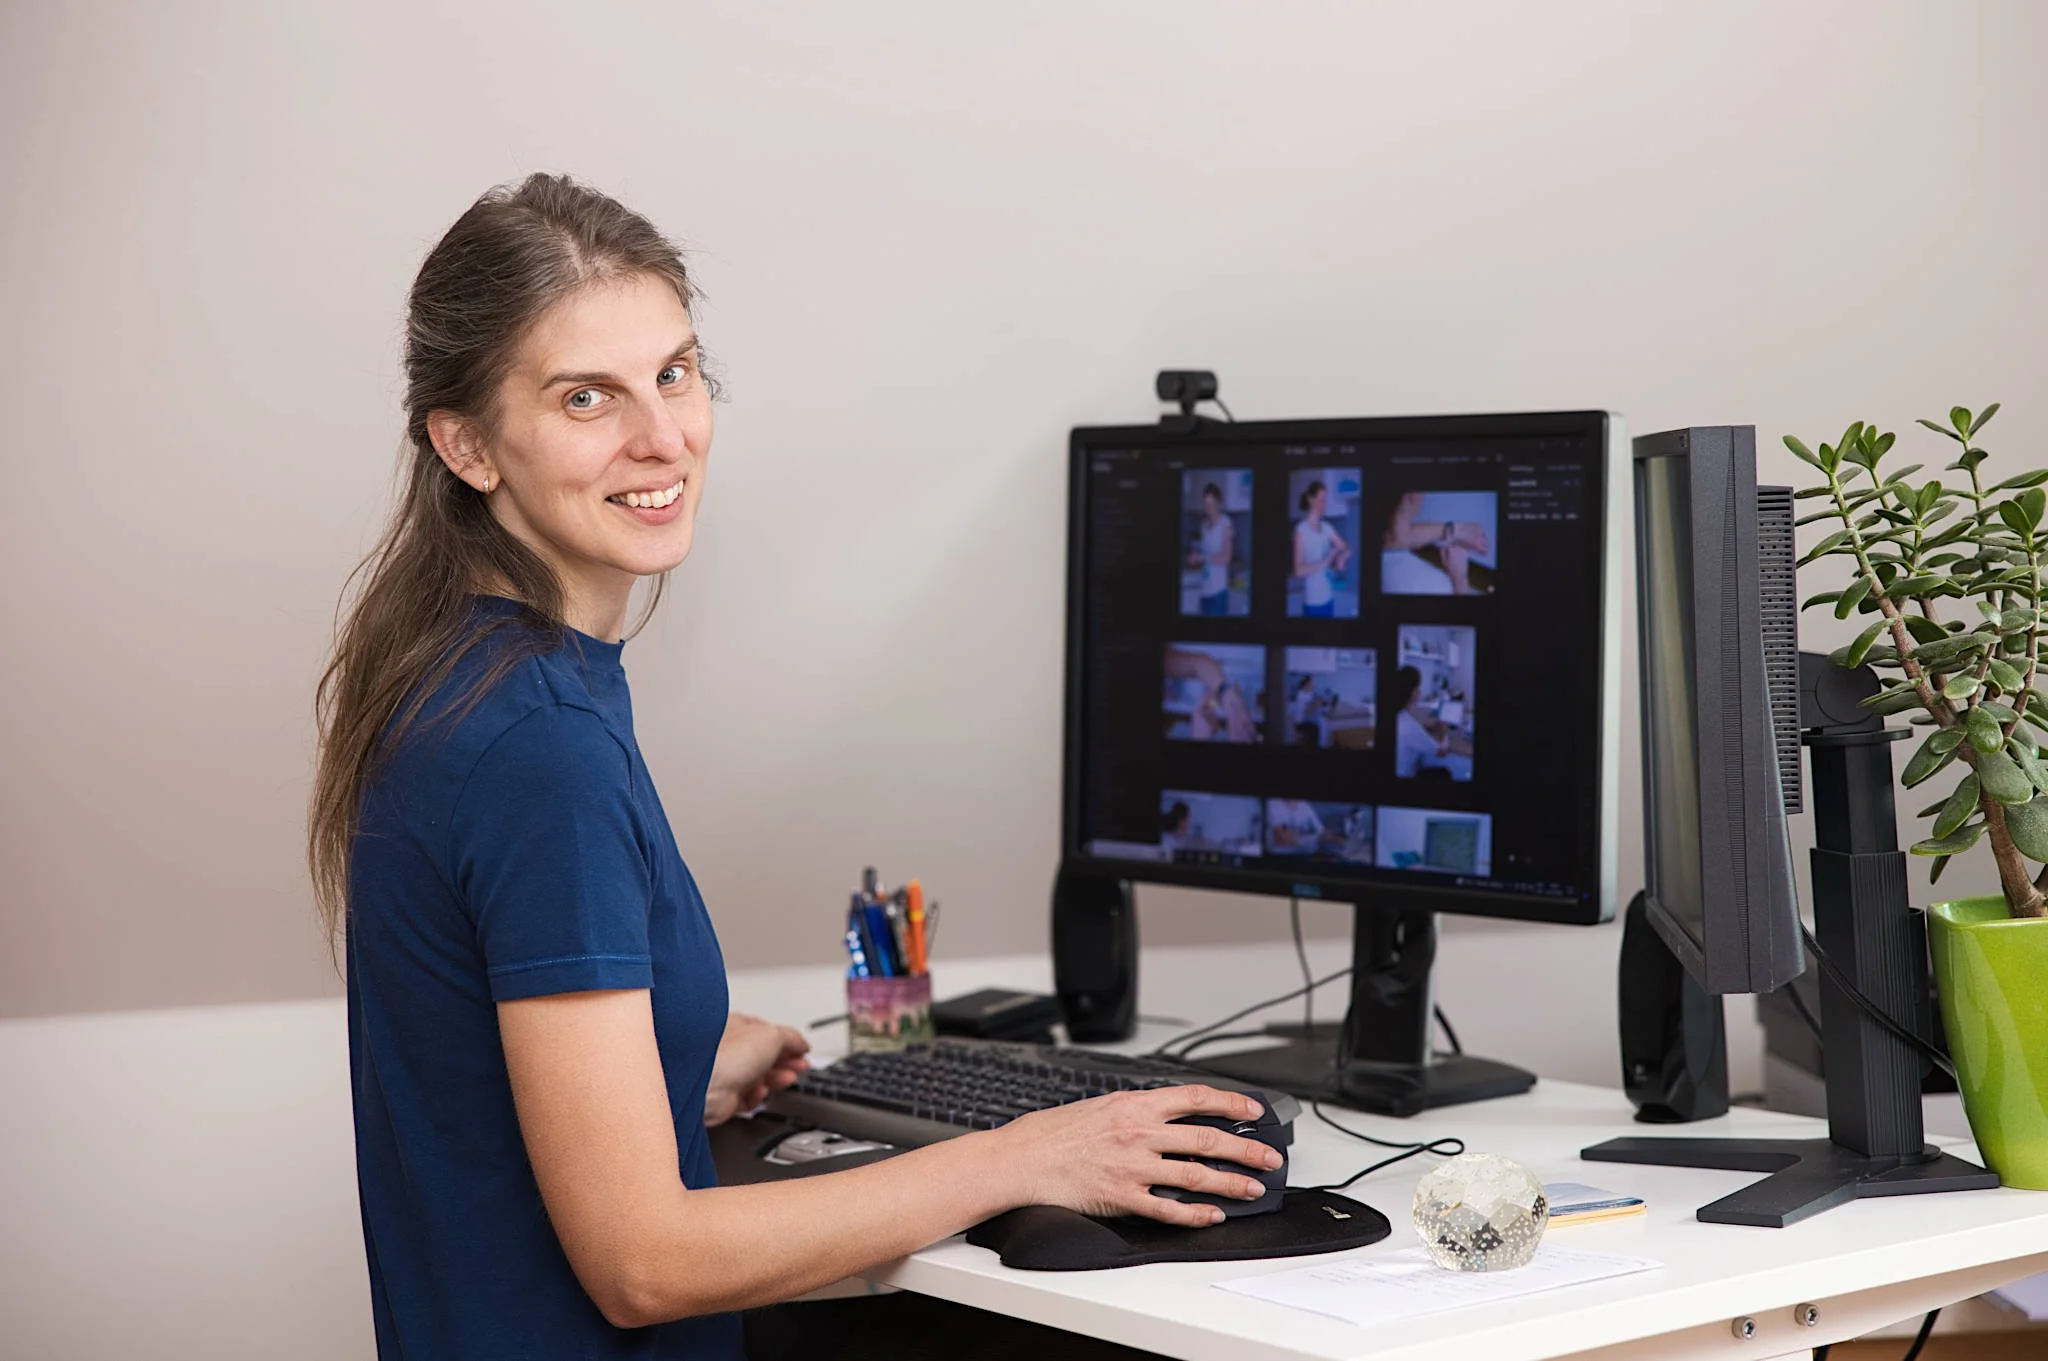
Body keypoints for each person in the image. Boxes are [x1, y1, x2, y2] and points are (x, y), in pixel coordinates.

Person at [308, 174, 1278, 1361]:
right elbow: (644, 1262)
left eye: (674, 373)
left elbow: (478, 1067)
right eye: (585, 397)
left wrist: (677, 1057)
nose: (661, 436)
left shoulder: (461, 676)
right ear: (466, 443)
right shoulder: (537, 749)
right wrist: (1030, 1153)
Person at [1381, 491, 1491, 596]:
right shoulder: (1427, 587)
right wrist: (1460, 579)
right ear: (1413, 496)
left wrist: (1456, 530)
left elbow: (1397, 535)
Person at [1393, 665, 1473, 779]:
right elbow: (1441, 752)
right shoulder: (1410, 726)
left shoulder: (1400, 716)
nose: (1420, 691)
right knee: (1445, 773)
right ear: (1413, 693)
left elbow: (1411, 733)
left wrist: (1428, 729)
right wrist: (1444, 733)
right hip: (1406, 775)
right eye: (1418, 688)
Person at [1291, 481, 1351, 617]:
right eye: (1321, 500)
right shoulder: (1301, 530)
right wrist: (1326, 561)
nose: (1323, 505)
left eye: (1325, 500)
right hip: (1312, 603)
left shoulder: (1327, 528)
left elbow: (1345, 547)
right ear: (1310, 499)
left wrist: (1342, 558)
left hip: (1329, 599)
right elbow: (1298, 570)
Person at [1189, 482, 1235, 615]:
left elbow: (1226, 558)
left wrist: (1202, 558)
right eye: (1206, 504)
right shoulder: (1204, 526)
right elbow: (1206, 554)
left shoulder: (1225, 523)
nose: (1208, 508)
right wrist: (1196, 558)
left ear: (1218, 503)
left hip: (1218, 592)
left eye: (1211, 504)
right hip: (1204, 590)